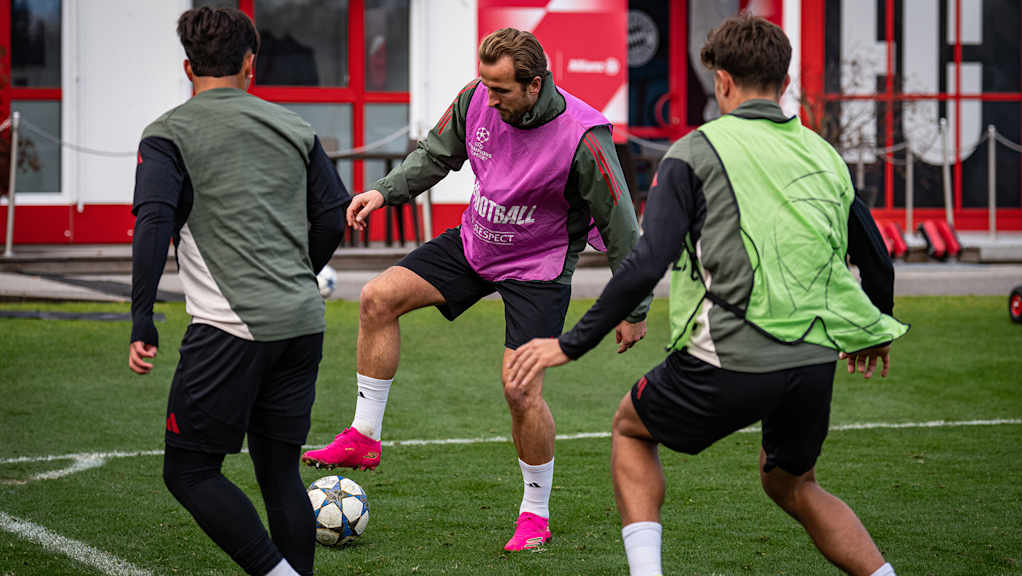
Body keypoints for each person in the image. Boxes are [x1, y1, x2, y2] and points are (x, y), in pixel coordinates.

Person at [509, 13, 908, 576]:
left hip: (733, 353)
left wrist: (570, 344)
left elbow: (647, 260)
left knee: (629, 428)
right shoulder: (825, 155)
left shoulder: (694, 153)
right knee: (792, 483)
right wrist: (876, 327)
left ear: (721, 82)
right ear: (785, 83)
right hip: (815, 359)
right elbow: (875, 257)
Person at [300, 27, 652, 551]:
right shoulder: (474, 97)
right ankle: (364, 437)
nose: (489, 97)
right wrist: (383, 191)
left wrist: (635, 306)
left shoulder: (583, 136)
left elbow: (621, 224)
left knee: (520, 390)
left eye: (501, 90)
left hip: (538, 269)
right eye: (486, 85)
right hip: (474, 245)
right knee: (377, 298)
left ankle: (535, 513)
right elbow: (435, 155)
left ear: (534, 85)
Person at [128, 7, 350, 576]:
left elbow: (153, 224)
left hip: (230, 328)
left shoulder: (166, 133)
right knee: (279, 471)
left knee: (189, 472)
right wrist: (300, 275)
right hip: (303, 323)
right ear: (252, 63)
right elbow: (332, 219)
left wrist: (142, 319)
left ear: (187, 67)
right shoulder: (296, 128)